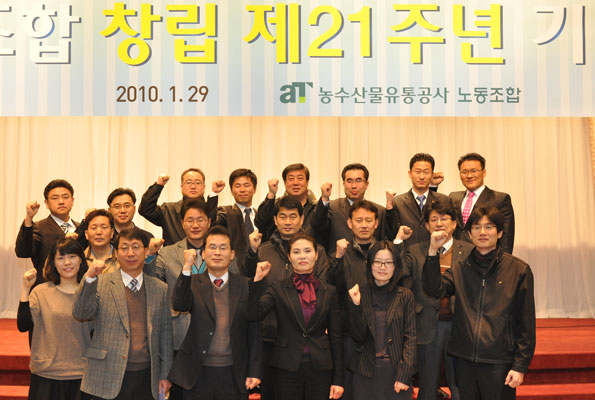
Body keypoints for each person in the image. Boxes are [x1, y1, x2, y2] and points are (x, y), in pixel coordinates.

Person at [422, 207, 535, 400]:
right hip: (464, 360)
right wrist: (432, 252)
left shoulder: (519, 270)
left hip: (499, 360)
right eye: (476, 227)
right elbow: (434, 288)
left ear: (500, 233)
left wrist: (520, 366)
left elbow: (526, 323)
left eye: (489, 227)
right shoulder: (460, 268)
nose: (482, 232)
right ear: (469, 234)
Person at [73, 228, 173, 400]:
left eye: (136, 247)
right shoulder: (101, 282)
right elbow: (81, 313)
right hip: (106, 373)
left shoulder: (159, 288)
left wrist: (165, 374)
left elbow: (166, 335)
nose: (130, 253)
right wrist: (89, 278)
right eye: (124, 248)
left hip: (146, 375)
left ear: (145, 251)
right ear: (117, 253)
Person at [245, 196, 329, 400]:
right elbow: (248, 284)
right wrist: (251, 252)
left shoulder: (316, 251)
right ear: (275, 220)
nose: (288, 221)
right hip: (269, 337)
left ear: (302, 219)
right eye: (283, 217)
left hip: (304, 340)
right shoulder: (263, 250)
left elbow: (322, 290)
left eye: (293, 216)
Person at [167, 226, 262, 400]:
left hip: (234, 373)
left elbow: (254, 329)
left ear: (232, 254)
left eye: (223, 248)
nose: (217, 252)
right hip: (196, 373)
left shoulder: (245, 285)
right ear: (203, 254)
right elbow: (179, 304)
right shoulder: (193, 282)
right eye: (212, 247)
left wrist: (254, 371)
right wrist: (187, 267)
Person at [399, 200, 474, 400]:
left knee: (459, 384)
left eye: (444, 219)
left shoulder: (469, 251)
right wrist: (398, 242)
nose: (439, 223)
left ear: (454, 224)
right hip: (426, 325)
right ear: (426, 226)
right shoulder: (415, 250)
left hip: (459, 325)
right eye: (433, 220)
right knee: (427, 385)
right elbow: (398, 273)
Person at [144, 199, 212, 400]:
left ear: (209, 222)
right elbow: (152, 281)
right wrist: (150, 256)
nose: (195, 225)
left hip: (212, 336)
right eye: (190, 220)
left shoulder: (219, 251)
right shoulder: (168, 252)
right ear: (182, 223)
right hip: (178, 335)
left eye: (200, 219)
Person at [17, 238, 91, 400]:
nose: (67, 262)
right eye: (61, 258)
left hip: (81, 374)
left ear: (81, 260)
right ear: (53, 263)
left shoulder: (90, 293)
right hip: (46, 373)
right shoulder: (41, 292)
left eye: (72, 256)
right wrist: (25, 289)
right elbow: (23, 325)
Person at [347, 240, 416, 400]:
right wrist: (356, 305)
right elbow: (357, 336)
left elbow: (411, 338)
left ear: (396, 266)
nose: (382, 267)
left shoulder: (405, 295)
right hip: (365, 372)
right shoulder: (358, 293)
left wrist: (405, 374)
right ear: (369, 264)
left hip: (396, 372)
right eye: (377, 262)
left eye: (388, 262)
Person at [311, 163, 397, 253]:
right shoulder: (332, 207)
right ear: (344, 184)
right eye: (349, 181)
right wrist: (324, 198)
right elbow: (316, 225)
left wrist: (390, 208)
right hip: (339, 260)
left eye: (358, 181)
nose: (354, 186)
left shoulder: (379, 211)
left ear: (366, 184)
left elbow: (390, 238)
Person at [16, 179, 78, 286]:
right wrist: (29, 218)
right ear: (46, 203)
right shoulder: (38, 227)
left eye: (65, 197)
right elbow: (23, 252)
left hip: (79, 290)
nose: (61, 201)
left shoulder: (81, 228)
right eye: (55, 198)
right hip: (48, 289)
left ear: (72, 201)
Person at [449, 153, 515, 254]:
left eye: (474, 171)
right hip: (456, 256)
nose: (469, 176)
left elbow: (507, 236)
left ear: (484, 173)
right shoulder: (453, 197)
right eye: (464, 172)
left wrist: (502, 260)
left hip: (485, 256)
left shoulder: (500, 199)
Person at [139, 168, 223, 245]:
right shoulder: (168, 210)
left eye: (197, 183)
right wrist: (158, 186)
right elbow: (145, 210)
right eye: (188, 182)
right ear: (182, 187)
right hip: (174, 256)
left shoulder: (212, 211)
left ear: (204, 187)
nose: (193, 186)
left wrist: (214, 193)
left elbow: (213, 225)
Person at [214, 168, 272, 274]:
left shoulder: (260, 216)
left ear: (254, 189)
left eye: (246, 185)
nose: (242, 190)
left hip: (262, 270)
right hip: (235, 272)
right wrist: (214, 194)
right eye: (237, 186)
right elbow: (210, 222)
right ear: (231, 190)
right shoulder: (225, 212)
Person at [393, 153, 451, 250]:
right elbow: (392, 234)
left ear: (432, 175)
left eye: (426, 172)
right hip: (407, 255)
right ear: (410, 174)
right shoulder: (398, 202)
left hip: (437, 254)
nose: (422, 176)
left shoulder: (444, 200)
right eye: (417, 172)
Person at [255, 163, 319, 244]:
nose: (295, 183)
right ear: (285, 183)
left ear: (307, 182)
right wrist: (271, 194)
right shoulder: (275, 206)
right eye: (291, 179)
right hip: (277, 250)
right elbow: (261, 222)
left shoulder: (317, 209)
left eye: (300, 178)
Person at [81, 209, 119, 275]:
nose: (98, 232)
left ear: (112, 233)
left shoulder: (122, 258)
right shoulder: (80, 260)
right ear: (86, 234)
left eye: (104, 227)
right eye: (94, 228)